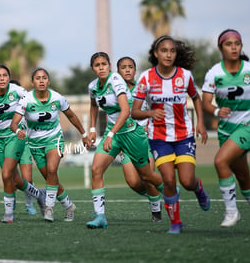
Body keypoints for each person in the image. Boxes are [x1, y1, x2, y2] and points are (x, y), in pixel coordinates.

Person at [132, 36, 211, 234]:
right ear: (156, 54)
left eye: (172, 51)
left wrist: (200, 122)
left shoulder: (185, 76)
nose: (169, 54)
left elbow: (196, 97)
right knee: (168, 180)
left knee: (186, 180)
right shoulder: (146, 78)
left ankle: (199, 189)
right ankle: (176, 223)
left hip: (183, 135)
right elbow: (134, 111)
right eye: (164, 51)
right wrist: (150, 113)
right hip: (158, 138)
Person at [85, 52, 164, 229]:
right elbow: (93, 105)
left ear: (109, 66)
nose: (101, 68)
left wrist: (113, 134)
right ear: (93, 68)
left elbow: (128, 111)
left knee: (146, 176)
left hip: (134, 135)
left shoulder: (122, 83)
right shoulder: (93, 86)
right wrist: (92, 129)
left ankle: (166, 195)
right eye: (97, 65)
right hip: (115, 133)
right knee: (100, 170)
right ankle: (100, 217)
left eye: (104, 64)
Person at [10, 67, 91, 222]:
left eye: (44, 78)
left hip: (54, 138)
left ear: (48, 80)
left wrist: (84, 134)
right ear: (33, 82)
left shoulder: (57, 98)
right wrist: (17, 131)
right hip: (34, 143)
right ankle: (69, 206)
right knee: (50, 177)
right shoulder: (26, 100)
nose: (41, 81)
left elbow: (72, 116)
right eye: (38, 78)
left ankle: (49, 208)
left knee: (52, 170)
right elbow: (14, 123)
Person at [202, 29, 250, 234]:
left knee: (220, 161)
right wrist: (217, 110)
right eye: (229, 44)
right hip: (227, 131)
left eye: (237, 43)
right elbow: (205, 103)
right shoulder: (214, 73)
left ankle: (232, 211)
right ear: (221, 48)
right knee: (243, 177)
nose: (234, 47)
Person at [0, 65, 45, 223]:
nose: (2, 78)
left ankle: (8, 214)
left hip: (15, 136)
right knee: (14, 179)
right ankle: (40, 195)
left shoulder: (17, 91)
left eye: (5, 75)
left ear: (8, 77)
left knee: (6, 173)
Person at [116, 56, 162, 222]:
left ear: (135, 70)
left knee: (147, 177)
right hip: (126, 141)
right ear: (118, 71)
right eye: (123, 67)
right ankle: (156, 195)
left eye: (130, 67)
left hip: (145, 139)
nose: (127, 70)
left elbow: (157, 109)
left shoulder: (143, 89)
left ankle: (156, 212)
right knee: (133, 182)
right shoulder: (115, 91)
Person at [9, 79, 37, 215]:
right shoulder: (5, 108)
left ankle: (29, 204)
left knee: (27, 178)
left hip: (24, 144)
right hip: (10, 144)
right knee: (10, 176)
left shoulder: (26, 106)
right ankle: (11, 199)